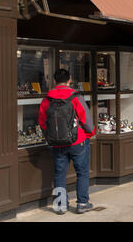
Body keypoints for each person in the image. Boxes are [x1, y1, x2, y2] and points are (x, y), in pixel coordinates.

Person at [38, 69, 95, 215]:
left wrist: (50, 137)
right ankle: (82, 203)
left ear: (54, 81)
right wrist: (89, 134)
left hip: (57, 143)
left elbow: (42, 122)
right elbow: (86, 121)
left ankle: (60, 205)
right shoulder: (75, 96)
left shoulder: (47, 99)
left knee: (59, 174)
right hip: (78, 141)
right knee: (82, 173)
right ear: (69, 80)